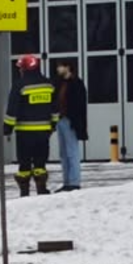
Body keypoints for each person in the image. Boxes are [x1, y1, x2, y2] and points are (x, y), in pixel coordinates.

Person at [3, 53, 58, 197]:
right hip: (44, 131)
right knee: (40, 162)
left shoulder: (20, 85)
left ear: (24, 69)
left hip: (24, 131)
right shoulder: (48, 84)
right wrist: (53, 124)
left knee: (24, 163)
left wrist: (7, 128)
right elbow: (55, 108)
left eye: (20, 68)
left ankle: (24, 192)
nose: (19, 70)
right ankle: (41, 189)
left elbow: (12, 109)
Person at [54, 60, 88, 191]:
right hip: (60, 119)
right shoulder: (60, 83)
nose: (58, 69)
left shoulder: (76, 84)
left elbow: (79, 106)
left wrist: (78, 123)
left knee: (72, 152)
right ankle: (67, 182)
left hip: (71, 121)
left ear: (67, 67)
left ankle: (74, 182)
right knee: (63, 153)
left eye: (60, 66)